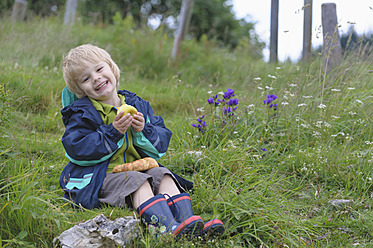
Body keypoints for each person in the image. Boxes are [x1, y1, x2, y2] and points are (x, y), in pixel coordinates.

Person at [59, 44, 224, 238]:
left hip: (136, 167)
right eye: (86, 79)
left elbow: (161, 142)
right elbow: (76, 148)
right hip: (101, 177)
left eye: (99, 69)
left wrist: (142, 130)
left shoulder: (135, 104)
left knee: (163, 174)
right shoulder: (82, 113)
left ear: (111, 68)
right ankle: (163, 229)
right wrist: (113, 132)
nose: (96, 78)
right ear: (80, 90)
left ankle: (188, 223)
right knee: (138, 180)